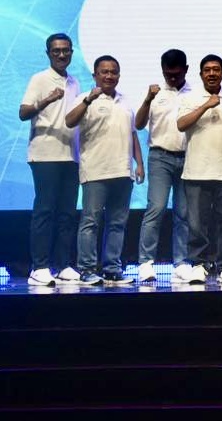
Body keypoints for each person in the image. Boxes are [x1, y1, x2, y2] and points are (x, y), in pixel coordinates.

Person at [65, 55, 145, 285]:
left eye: (113, 72)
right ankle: (87, 269)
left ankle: (112, 269)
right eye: (104, 72)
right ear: (95, 75)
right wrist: (88, 100)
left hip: (123, 171)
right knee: (90, 222)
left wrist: (139, 164)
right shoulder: (84, 98)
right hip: (95, 171)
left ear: (118, 75)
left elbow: (132, 134)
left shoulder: (125, 101)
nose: (109, 76)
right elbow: (69, 121)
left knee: (117, 224)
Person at [20, 33, 82, 286]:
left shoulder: (75, 82)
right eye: (56, 51)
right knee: (45, 211)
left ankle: (63, 265)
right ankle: (40, 267)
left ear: (71, 53)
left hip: (71, 155)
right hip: (45, 154)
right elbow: (23, 112)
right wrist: (47, 99)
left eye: (66, 50)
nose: (61, 55)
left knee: (67, 213)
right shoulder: (40, 79)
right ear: (48, 54)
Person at [177, 55, 222, 285]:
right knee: (197, 224)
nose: (212, 73)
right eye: (207, 70)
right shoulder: (190, 97)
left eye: (216, 69)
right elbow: (181, 124)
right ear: (201, 74)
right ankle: (199, 265)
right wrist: (206, 105)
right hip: (196, 171)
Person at [135, 48, 193, 283]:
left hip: (189, 157)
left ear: (186, 70)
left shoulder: (195, 93)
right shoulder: (155, 93)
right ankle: (145, 262)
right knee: (156, 208)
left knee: (184, 212)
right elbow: (139, 124)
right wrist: (148, 99)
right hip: (160, 156)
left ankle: (181, 263)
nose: (172, 78)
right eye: (168, 74)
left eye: (177, 74)